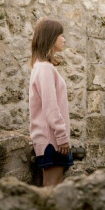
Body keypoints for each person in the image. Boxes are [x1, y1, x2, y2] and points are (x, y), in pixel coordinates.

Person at [29, 18, 73, 186]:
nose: (64, 39)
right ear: (50, 38)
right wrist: (62, 137)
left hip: (50, 141)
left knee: (52, 189)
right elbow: (50, 107)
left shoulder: (40, 66)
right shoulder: (45, 69)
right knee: (52, 190)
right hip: (52, 142)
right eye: (60, 35)